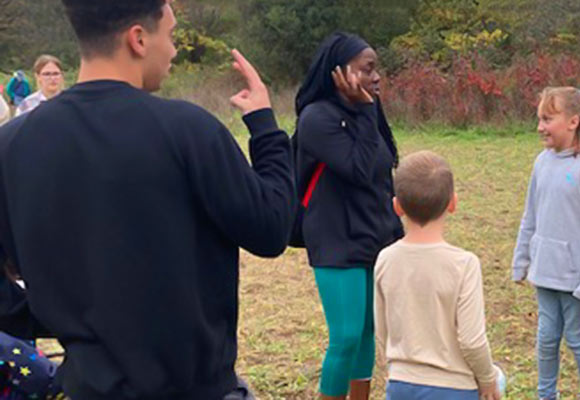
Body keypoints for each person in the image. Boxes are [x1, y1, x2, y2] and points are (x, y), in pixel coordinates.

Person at [0, 0, 298, 398]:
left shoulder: (12, 145)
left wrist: (55, 318)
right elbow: (271, 228)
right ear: (138, 39)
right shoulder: (189, 131)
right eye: (170, 35)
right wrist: (264, 127)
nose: (174, 49)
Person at [294, 31, 402, 400]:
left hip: (376, 235)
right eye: (367, 69)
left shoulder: (367, 112)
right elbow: (358, 169)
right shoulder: (316, 118)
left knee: (369, 332)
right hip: (336, 238)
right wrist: (367, 111)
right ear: (339, 72)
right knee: (345, 337)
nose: (376, 78)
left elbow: (382, 171)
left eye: (377, 70)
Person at [512, 87, 580, 400]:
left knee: (578, 338)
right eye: (539, 118)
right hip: (545, 271)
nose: (540, 126)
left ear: (573, 121)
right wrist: (522, 259)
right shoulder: (542, 161)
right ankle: (546, 395)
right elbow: (531, 214)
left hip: (577, 278)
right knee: (546, 338)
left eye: (547, 119)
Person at [375, 151, 501, 400]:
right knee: (501, 379)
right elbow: (472, 341)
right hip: (454, 388)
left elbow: (381, 331)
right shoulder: (464, 264)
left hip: (400, 384)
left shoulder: (385, 259)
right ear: (452, 203)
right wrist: (488, 380)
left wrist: (391, 372)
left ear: (397, 206)